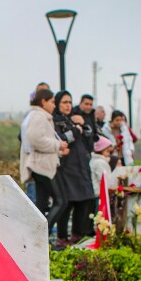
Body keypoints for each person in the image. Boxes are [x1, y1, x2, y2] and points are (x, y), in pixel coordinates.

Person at [53, 90, 96, 244]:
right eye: (64, 102)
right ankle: (62, 237)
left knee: (85, 200)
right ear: (57, 104)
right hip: (66, 168)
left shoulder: (72, 119)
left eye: (70, 102)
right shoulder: (55, 121)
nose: (68, 105)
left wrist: (82, 125)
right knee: (67, 203)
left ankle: (78, 235)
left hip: (81, 167)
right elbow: (61, 140)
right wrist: (76, 129)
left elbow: (90, 139)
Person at [25, 88, 69, 232]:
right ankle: (41, 234)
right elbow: (35, 139)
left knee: (42, 203)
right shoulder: (39, 116)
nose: (54, 105)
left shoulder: (39, 115)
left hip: (42, 165)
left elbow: (41, 140)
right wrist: (58, 145)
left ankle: (37, 239)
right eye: (52, 102)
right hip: (44, 167)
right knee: (61, 201)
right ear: (43, 102)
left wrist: (59, 149)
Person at [20, 82, 51, 203]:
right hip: (34, 164)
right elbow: (29, 139)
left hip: (46, 166)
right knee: (35, 201)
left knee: (44, 202)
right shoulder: (34, 116)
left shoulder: (48, 116)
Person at [90, 136, 114, 201]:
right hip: (100, 194)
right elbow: (103, 179)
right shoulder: (100, 162)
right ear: (100, 150)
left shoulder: (94, 161)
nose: (109, 154)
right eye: (107, 151)